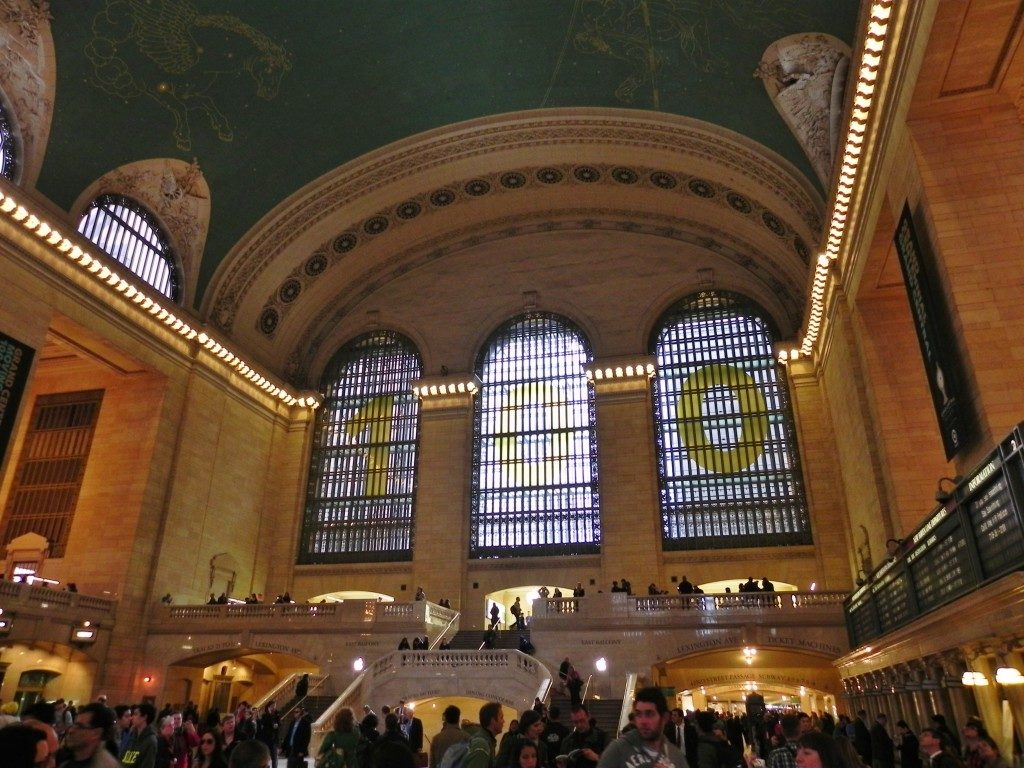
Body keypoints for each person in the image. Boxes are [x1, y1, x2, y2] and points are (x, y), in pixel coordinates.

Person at [596, 686, 685, 767]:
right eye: (638, 714)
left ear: (664, 718)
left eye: (649, 714)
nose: (643, 721)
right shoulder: (618, 750)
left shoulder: (676, 757)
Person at [60, 702, 120, 768]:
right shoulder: (65, 758)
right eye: (74, 725)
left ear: (96, 733)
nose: (71, 731)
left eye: (79, 727)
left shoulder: (105, 765)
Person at [465, 701, 505, 768]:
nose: (503, 721)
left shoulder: (487, 741)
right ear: (493, 720)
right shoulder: (481, 745)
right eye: (501, 717)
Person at [122, 703, 159, 768]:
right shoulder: (133, 734)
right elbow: (123, 757)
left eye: (135, 714)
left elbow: (147, 765)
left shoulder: (151, 741)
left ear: (144, 717)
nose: (132, 717)